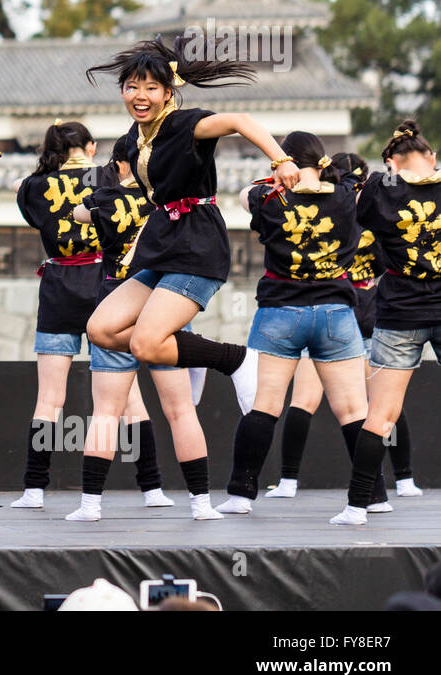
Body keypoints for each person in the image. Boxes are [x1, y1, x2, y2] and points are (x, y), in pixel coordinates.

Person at [84, 35, 299, 520]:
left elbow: (242, 122)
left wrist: (280, 159)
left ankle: (234, 359)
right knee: (100, 329)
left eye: (149, 87)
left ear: (168, 90)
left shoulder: (189, 124)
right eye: (130, 86)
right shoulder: (128, 141)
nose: (138, 95)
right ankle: (191, 351)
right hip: (160, 244)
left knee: (144, 343)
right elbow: (117, 189)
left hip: (198, 245)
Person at [212, 132, 389, 516]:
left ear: (284, 160)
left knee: (265, 406)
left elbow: (243, 194)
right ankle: (373, 497)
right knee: (355, 411)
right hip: (337, 314)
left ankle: (241, 494)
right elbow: (363, 185)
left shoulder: (269, 196)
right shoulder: (345, 195)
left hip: (280, 312)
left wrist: (276, 174)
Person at [12, 122, 169, 512]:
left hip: (59, 285)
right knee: (129, 398)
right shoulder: (111, 175)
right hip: (110, 284)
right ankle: (152, 489)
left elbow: (34, 214)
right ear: (92, 146)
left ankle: (34, 490)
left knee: (49, 399)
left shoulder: (33, 186)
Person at [268, 152, 422, 499]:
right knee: (370, 403)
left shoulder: (341, 209)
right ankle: (399, 480)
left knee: (377, 403)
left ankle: (401, 478)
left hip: (346, 308)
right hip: (342, 309)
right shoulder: (361, 210)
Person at [65, 135, 202, 520]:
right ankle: (201, 502)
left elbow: (77, 213)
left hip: (116, 301)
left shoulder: (104, 198)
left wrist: (103, 193)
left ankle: (90, 504)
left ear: (120, 164)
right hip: (167, 302)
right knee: (180, 409)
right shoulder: (168, 202)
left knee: (106, 411)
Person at [332, 120, 441, 525]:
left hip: (399, 310)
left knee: (380, 414)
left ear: (392, 162)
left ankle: (358, 505)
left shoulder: (380, 188)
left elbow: (361, 215)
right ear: (431, 156)